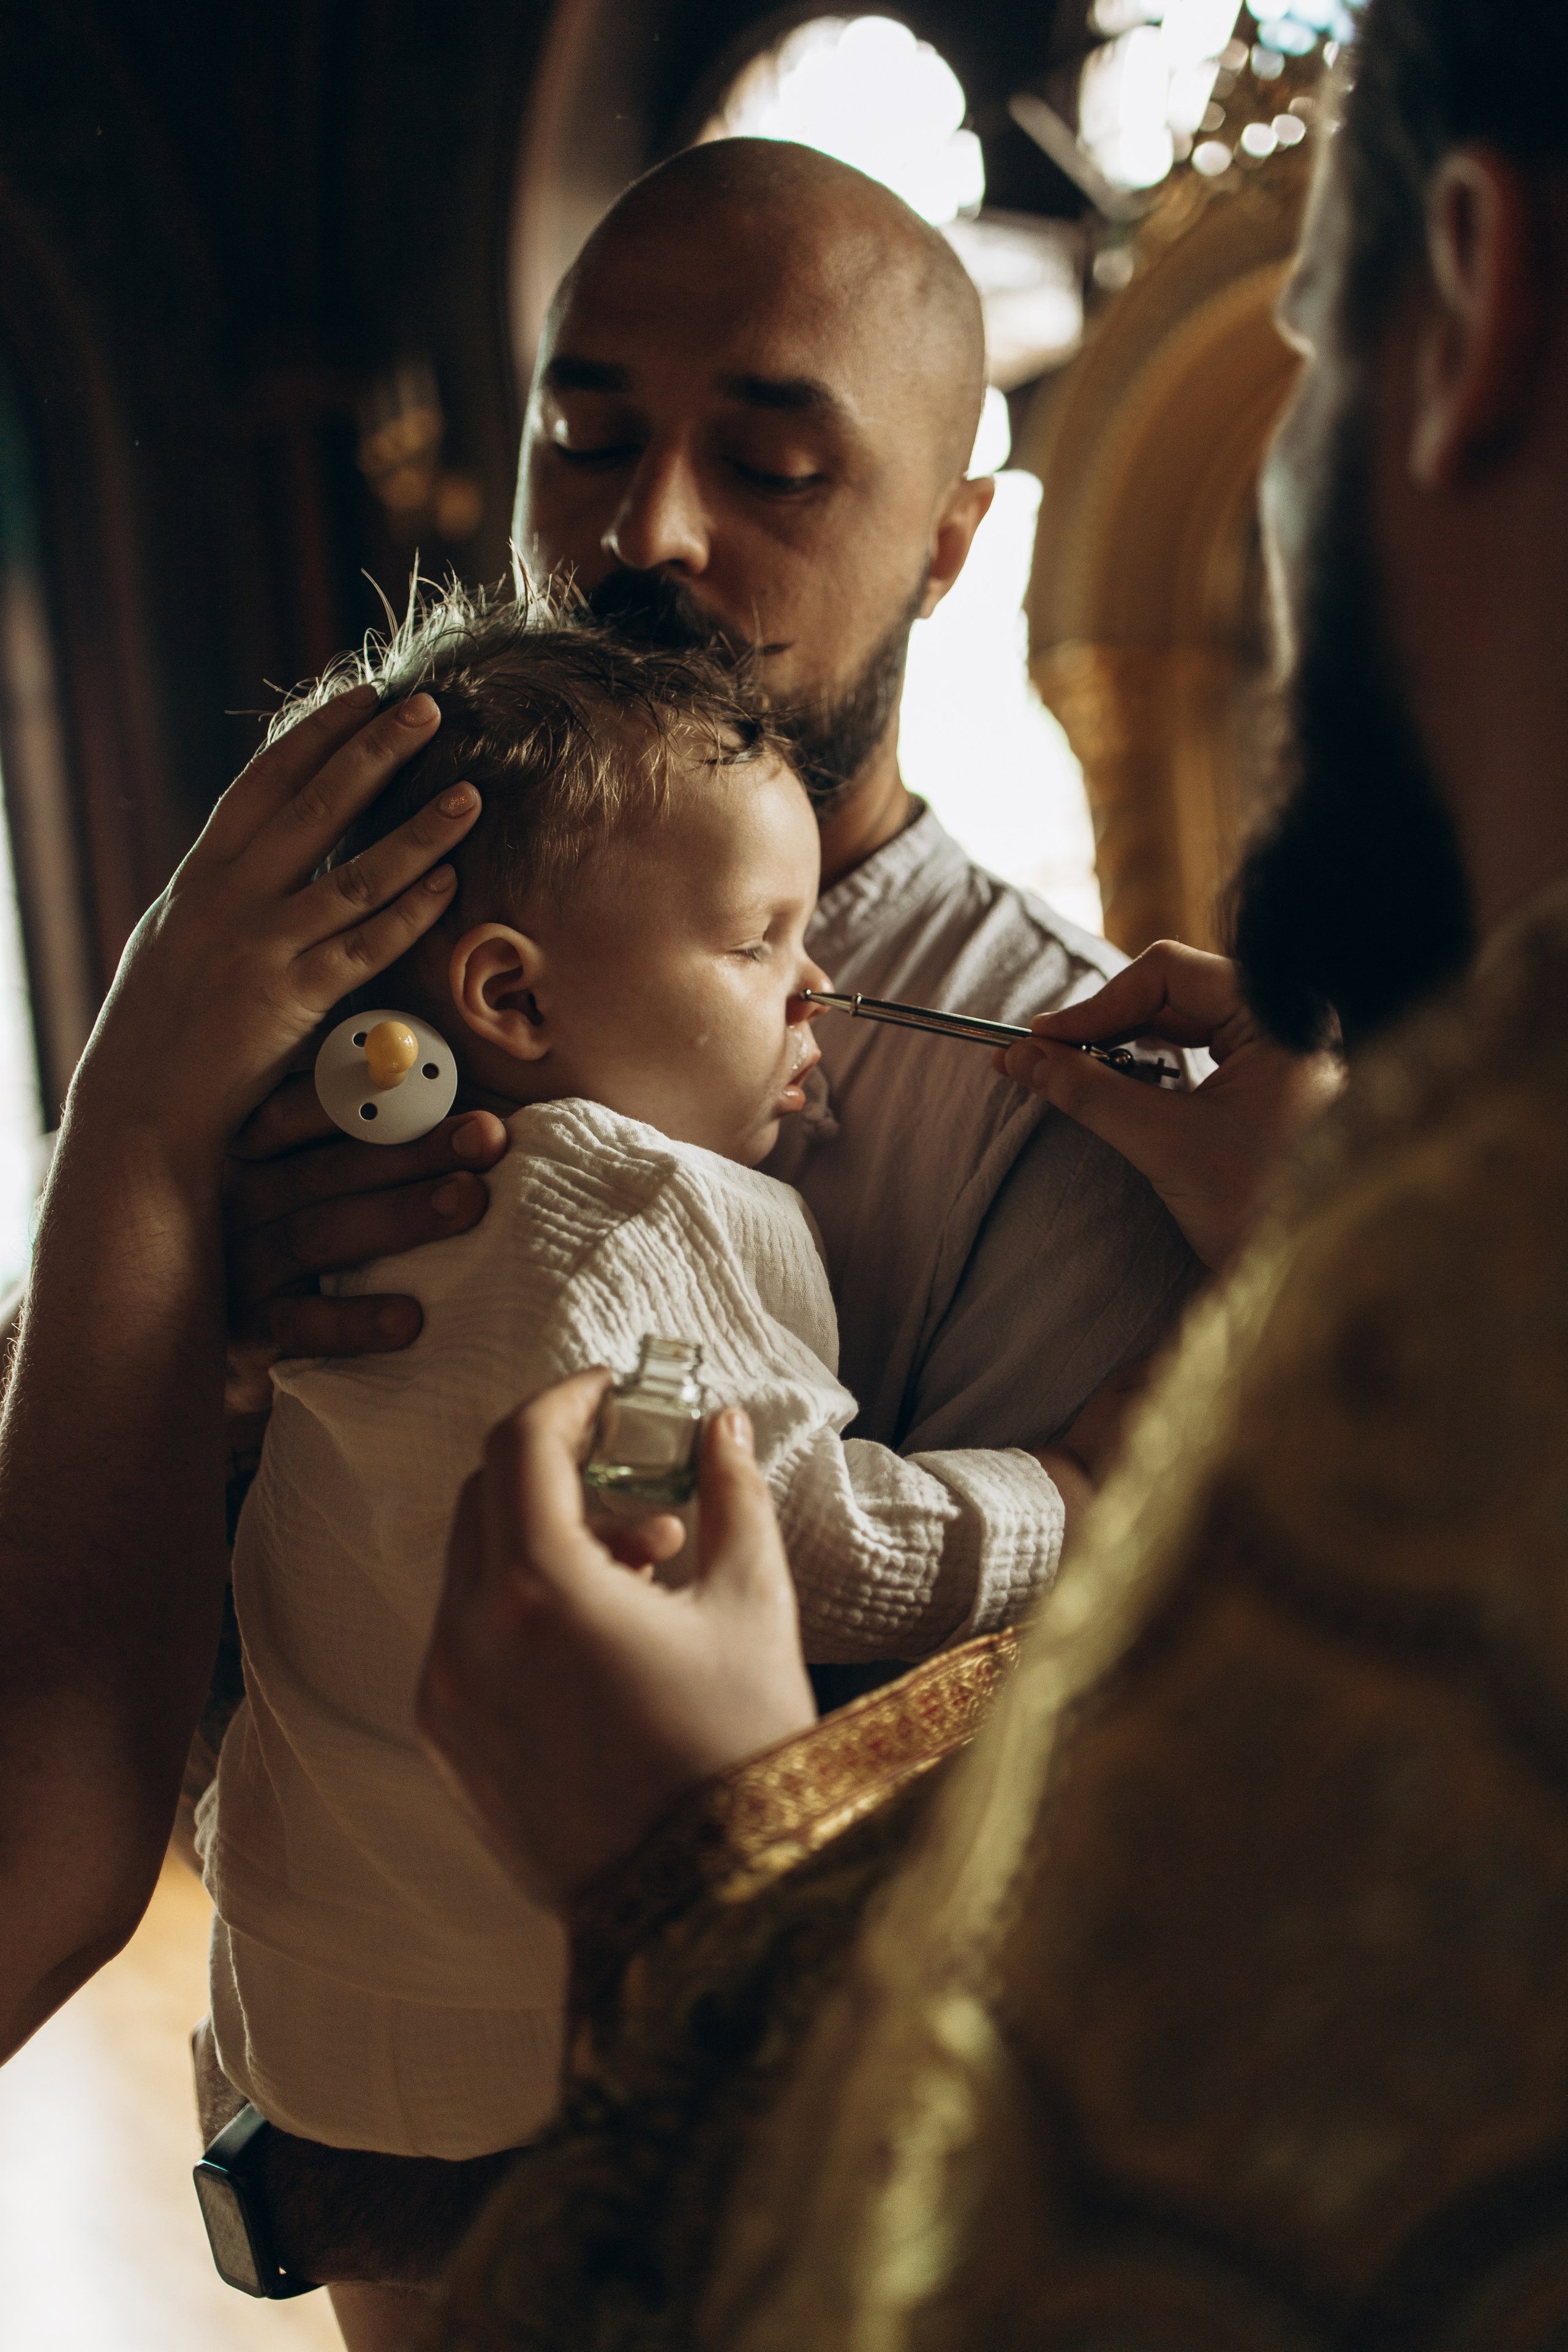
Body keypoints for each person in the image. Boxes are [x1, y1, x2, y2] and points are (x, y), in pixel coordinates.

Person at [405, 3, 1568, 2342]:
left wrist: (694, 1875)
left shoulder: (1124, 1120)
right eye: (585, 436)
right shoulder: (362, 927)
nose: (642, 533)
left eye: (1311, 354)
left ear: (1474, 306)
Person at [201, 586, 1087, 2228]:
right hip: (547, 2055)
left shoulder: (314, 1207)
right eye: (758, 945)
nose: (812, 992)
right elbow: (816, 1540)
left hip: (301, 2029)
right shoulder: (620, 1207)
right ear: (514, 1002)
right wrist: (1081, 1493)